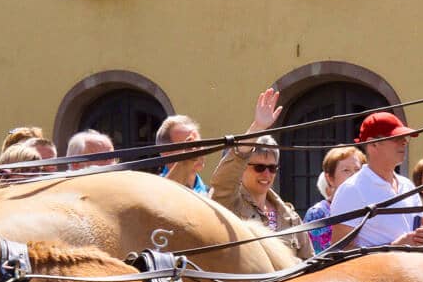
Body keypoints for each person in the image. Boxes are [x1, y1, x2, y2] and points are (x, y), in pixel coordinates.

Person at [209, 90, 311, 259]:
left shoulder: (289, 216)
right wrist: (257, 128)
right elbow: (223, 181)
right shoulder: (229, 203)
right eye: (259, 167)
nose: (266, 174)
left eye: (272, 168)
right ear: (242, 169)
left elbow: (309, 262)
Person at [328, 112, 423, 249]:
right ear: (373, 144)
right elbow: (340, 250)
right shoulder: (352, 189)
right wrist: (394, 248)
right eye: (396, 138)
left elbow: (418, 233)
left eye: (405, 138)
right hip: (375, 271)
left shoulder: (407, 185)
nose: (404, 142)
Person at [306, 145, 364, 252]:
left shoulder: (368, 208)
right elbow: (322, 256)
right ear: (330, 178)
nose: (354, 176)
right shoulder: (319, 213)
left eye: (357, 170)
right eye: (346, 170)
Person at [155, 114, 210, 194]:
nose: (198, 150)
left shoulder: (208, 194)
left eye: (199, 144)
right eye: (189, 145)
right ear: (166, 153)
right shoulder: (154, 190)